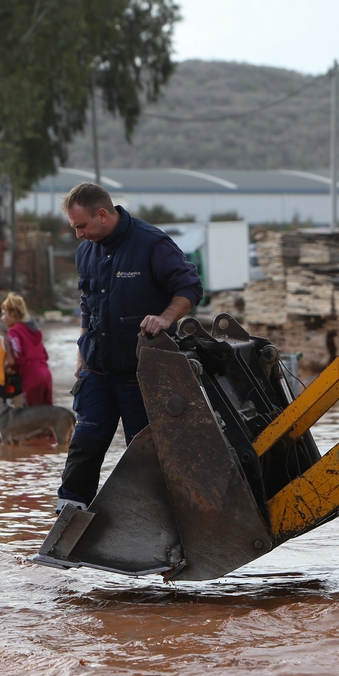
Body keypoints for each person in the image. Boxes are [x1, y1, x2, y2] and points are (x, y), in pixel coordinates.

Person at [57, 182, 203, 514]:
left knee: (146, 455)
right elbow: (87, 304)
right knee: (84, 446)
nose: (79, 234)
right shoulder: (86, 252)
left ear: (103, 214)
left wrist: (165, 318)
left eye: (82, 226)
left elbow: (190, 287)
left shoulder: (151, 244)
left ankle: (160, 527)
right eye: (74, 227)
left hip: (140, 376)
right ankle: (67, 525)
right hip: (97, 371)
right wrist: (82, 350)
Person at [1, 293, 53, 406]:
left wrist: (13, 368)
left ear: (13, 313)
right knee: (48, 417)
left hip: (32, 376)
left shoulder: (13, 331)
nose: (2, 319)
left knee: (33, 418)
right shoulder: (33, 331)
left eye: (4, 314)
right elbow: (44, 353)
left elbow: (17, 353)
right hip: (46, 374)